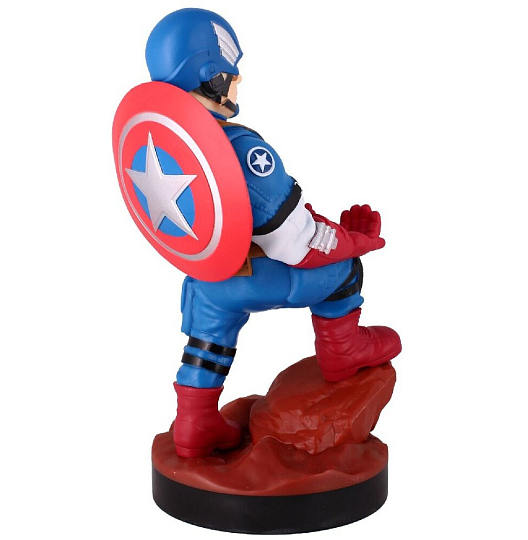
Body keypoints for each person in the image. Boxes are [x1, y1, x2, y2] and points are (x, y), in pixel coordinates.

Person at [145, 8, 401, 458]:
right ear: (211, 76)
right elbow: (297, 244)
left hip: (207, 282)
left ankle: (193, 420)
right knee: (344, 269)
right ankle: (343, 350)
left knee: (209, 333)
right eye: (231, 72)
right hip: (259, 275)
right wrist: (356, 243)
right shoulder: (242, 148)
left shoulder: (156, 144)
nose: (238, 81)